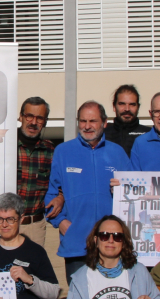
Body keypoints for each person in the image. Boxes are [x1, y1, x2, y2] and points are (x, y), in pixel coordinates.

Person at [46, 101, 131, 282]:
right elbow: (51, 193)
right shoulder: (63, 151)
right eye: (83, 121)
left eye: (93, 121)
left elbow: (133, 193)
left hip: (111, 244)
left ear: (104, 123)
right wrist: (61, 223)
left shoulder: (118, 153)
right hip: (76, 243)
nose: (87, 126)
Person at [15, 97, 60, 246]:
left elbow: (63, 183)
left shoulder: (51, 151)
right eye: (29, 116)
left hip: (35, 226)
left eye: (39, 118)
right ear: (21, 116)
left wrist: (61, 197)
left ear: (45, 121)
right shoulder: (6, 146)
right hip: (6, 224)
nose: (33, 122)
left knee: (32, 269)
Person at [103, 84, 147, 156]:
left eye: (132, 104)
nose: (127, 109)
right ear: (114, 106)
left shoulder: (149, 134)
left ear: (138, 107)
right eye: (122, 104)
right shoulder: (102, 135)